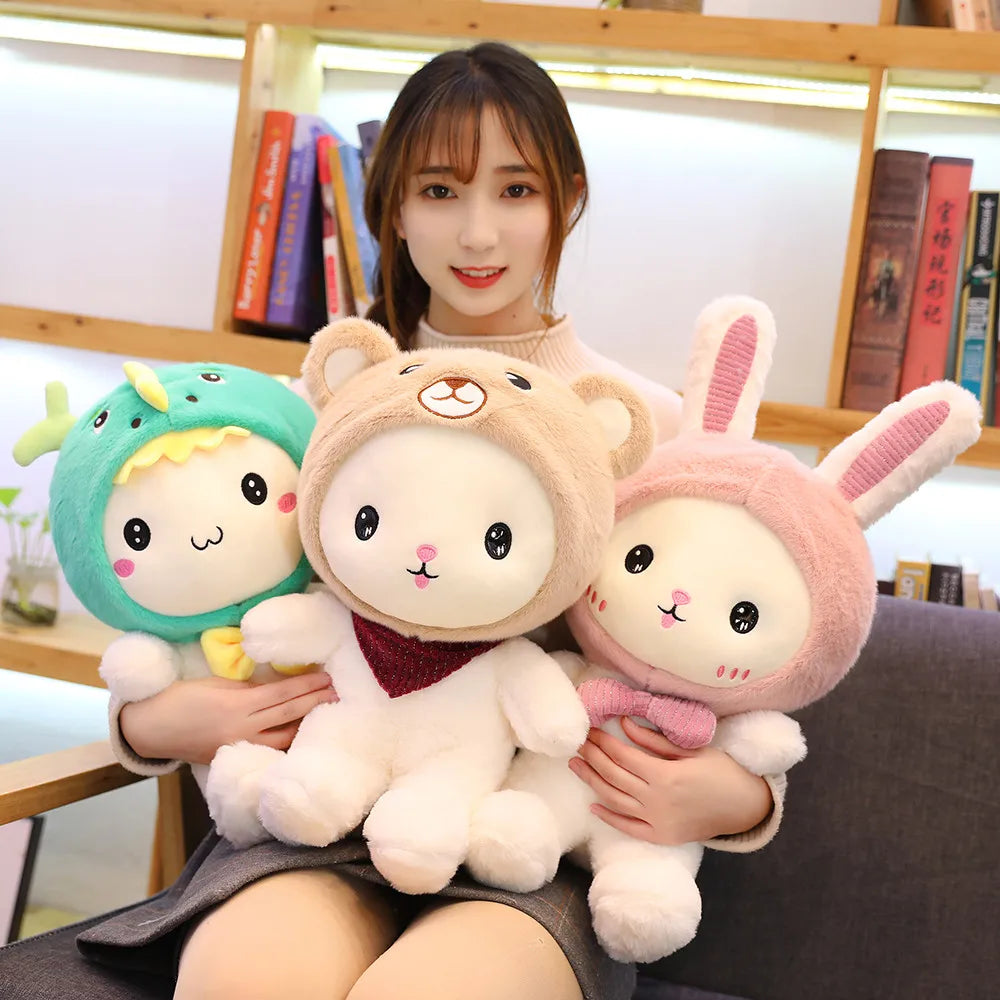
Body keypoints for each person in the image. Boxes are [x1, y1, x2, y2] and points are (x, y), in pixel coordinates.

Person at [0, 42, 781, 1000]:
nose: (479, 234)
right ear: (394, 209)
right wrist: (150, 721)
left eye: (517, 190)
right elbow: (192, 600)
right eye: (440, 191)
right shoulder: (323, 405)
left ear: (567, 200)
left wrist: (745, 796)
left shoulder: (639, 426)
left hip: (531, 854)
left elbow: (747, 646)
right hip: (322, 817)